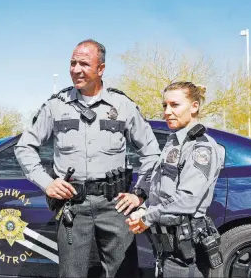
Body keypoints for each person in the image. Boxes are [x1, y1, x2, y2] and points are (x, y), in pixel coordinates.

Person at [15, 39, 161, 278]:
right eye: (72, 63)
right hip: (73, 206)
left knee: (123, 273)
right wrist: (47, 182)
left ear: (100, 69)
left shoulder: (122, 105)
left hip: (116, 205)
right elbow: (24, 147)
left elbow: (152, 152)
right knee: (72, 274)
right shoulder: (55, 106)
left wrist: (140, 193)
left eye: (84, 63)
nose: (76, 69)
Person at [126, 81, 226, 278]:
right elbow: (161, 189)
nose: (167, 111)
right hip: (166, 247)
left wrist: (147, 217)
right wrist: (144, 207)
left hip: (185, 251)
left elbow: (187, 199)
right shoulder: (175, 142)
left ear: (194, 106)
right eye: (165, 105)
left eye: (175, 105)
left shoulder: (201, 148)